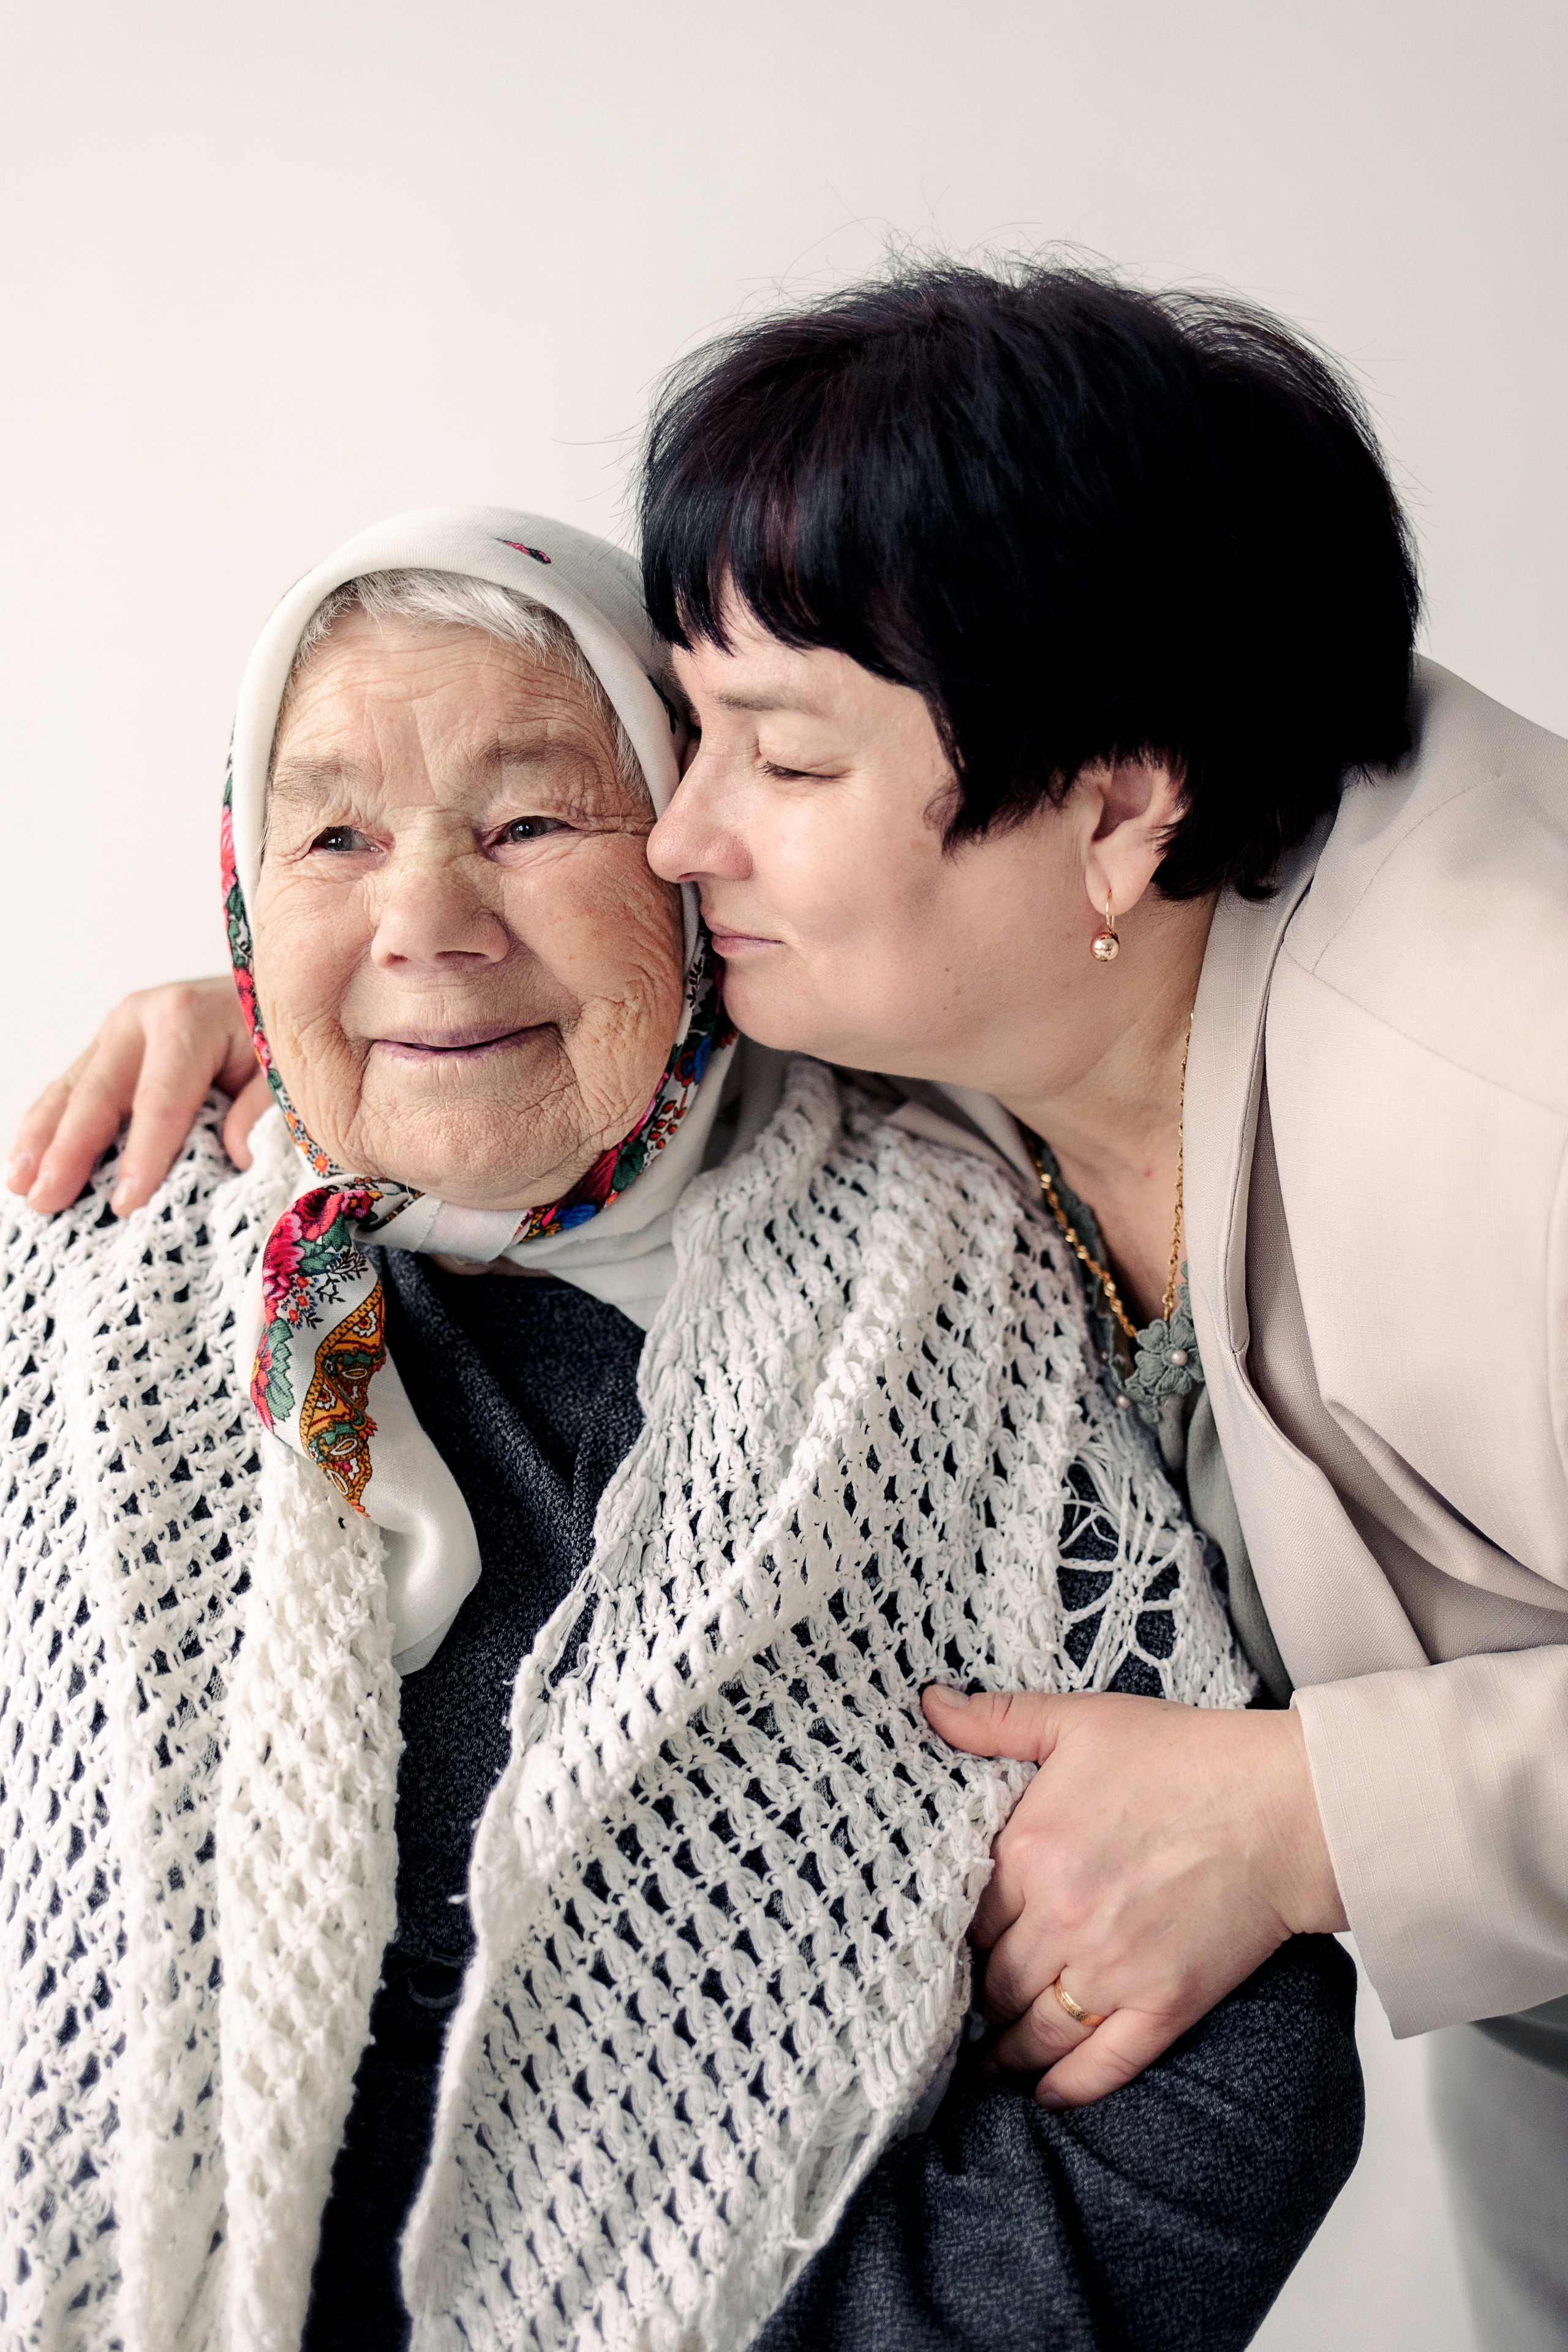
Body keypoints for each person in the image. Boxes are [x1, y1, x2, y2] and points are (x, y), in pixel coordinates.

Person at [34, 254, 1568, 2347]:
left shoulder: (1500, 1092)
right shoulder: (969, 1004)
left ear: (1119, 807)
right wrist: (299, 1015)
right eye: (685, 733)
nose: (679, 833)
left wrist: (1310, 1815)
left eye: (774, 756)